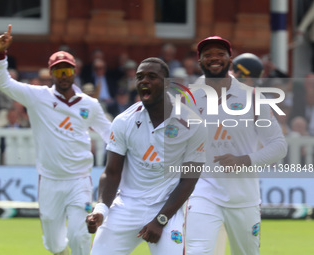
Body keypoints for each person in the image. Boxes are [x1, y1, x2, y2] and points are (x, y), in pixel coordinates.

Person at [0, 25, 111, 255]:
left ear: (74, 72)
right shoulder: (38, 97)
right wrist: (0, 54)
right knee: (54, 244)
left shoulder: (89, 104)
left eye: (67, 71)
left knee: (79, 236)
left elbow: (112, 136)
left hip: (80, 180)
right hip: (49, 181)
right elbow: (3, 83)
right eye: (58, 72)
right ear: (51, 74)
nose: (63, 76)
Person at [86, 57, 207, 254]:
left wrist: (161, 220)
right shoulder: (123, 121)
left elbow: (189, 180)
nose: (144, 81)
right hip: (126, 206)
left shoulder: (193, 124)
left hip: (166, 208)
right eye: (140, 77)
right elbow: (112, 172)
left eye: (152, 76)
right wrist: (101, 210)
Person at [185, 36, 288, 255]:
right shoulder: (188, 98)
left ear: (230, 60)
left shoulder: (253, 97)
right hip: (202, 191)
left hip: (244, 197)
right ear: (200, 61)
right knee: (198, 251)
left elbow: (279, 146)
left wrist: (244, 160)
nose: (214, 58)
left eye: (220, 54)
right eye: (208, 55)